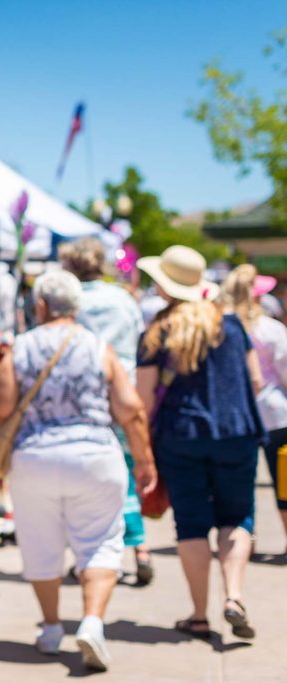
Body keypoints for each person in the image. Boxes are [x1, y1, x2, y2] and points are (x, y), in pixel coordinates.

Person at [0, 270, 156, 671]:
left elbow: (1, 407)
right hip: (95, 456)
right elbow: (130, 410)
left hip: (36, 458)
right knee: (100, 541)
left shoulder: (21, 347)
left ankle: (49, 629)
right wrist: (145, 460)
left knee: (40, 542)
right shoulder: (99, 347)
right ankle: (93, 623)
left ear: (41, 305)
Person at [136, 246, 264, 640]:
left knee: (191, 523)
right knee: (237, 518)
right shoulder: (232, 325)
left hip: (180, 436)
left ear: (163, 285)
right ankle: (235, 597)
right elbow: (256, 381)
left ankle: (198, 614)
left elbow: (142, 399)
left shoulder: (157, 331)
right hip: (236, 433)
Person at [60, 237, 154, 585]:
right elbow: (140, 342)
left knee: (87, 479)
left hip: (85, 399)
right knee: (127, 473)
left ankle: (90, 556)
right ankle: (139, 547)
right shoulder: (122, 299)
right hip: (126, 390)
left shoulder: (71, 300)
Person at [221, 264, 287, 553]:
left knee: (241, 484)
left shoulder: (224, 329)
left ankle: (246, 538)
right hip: (276, 414)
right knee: (284, 481)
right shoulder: (272, 329)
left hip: (238, 417)